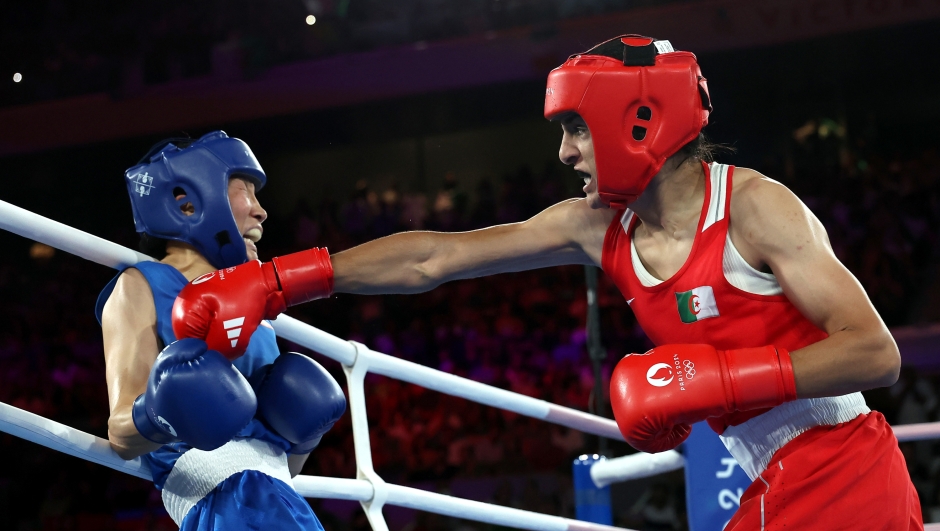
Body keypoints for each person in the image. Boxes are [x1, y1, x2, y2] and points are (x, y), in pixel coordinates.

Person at [172, 37, 923, 528]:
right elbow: (436, 257)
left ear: (637, 120)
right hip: (778, 482)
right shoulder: (599, 226)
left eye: (574, 129)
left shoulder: (756, 207)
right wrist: (281, 280)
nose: (566, 154)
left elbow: (877, 352)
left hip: (845, 468)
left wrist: (721, 378)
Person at [95, 131, 345, 530]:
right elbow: (121, 434)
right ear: (188, 201)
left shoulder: (252, 305)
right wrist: (161, 412)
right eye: (245, 190)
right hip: (218, 506)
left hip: (283, 501)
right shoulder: (142, 285)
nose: (261, 212)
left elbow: (285, 464)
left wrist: (306, 437)